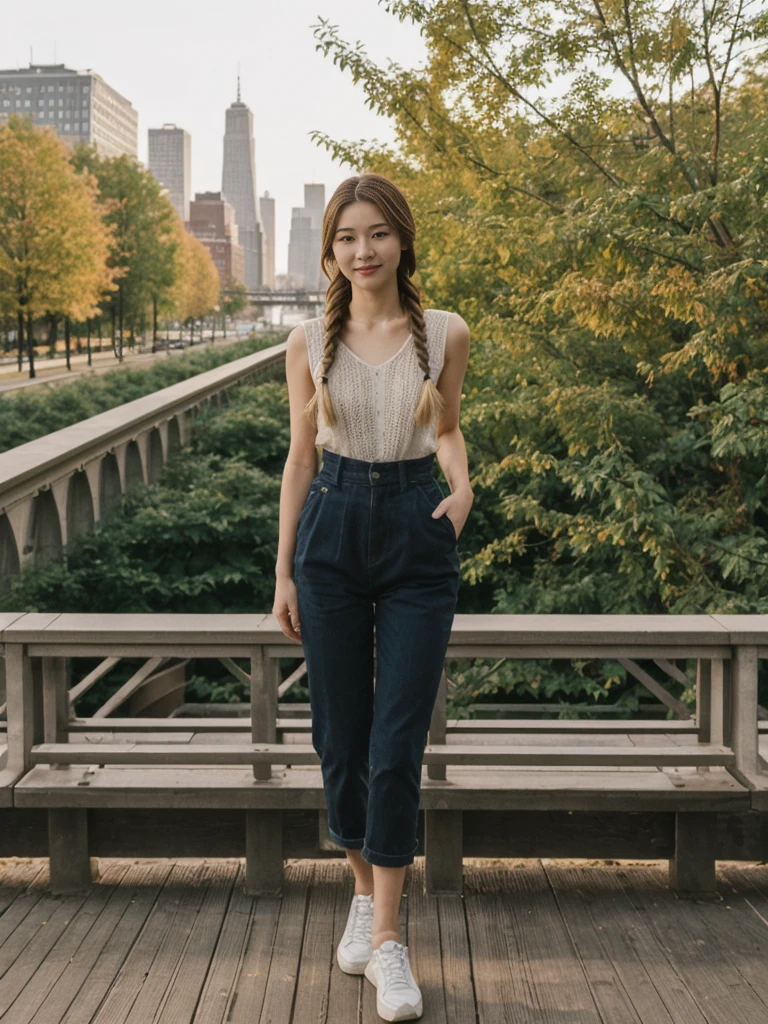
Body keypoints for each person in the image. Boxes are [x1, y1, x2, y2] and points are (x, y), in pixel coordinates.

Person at [273, 172, 472, 1022]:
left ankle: (388, 941)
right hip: (331, 535)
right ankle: (363, 890)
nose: (363, 252)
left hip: (415, 528)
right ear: (330, 249)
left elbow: (450, 425)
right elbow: (300, 460)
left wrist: (462, 491)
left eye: (377, 234)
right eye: (347, 237)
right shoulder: (306, 342)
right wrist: (283, 571)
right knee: (339, 739)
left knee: (398, 741)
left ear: (403, 240)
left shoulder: (446, 331)